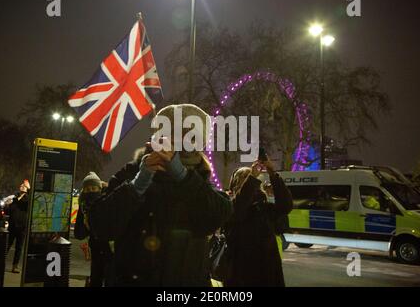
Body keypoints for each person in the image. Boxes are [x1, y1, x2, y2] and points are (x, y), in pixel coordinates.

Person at [89, 104, 233, 286]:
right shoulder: (134, 171)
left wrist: (183, 177)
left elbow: (219, 214)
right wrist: (138, 184)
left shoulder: (200, 179)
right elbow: (100, 226)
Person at [224, 157, 293, 287]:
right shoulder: (228, 206)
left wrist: (272, 173)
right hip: (241, 275)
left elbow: (285, 206)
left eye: (251, 179)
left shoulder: (263, 208)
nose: (251, 180)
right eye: (246, 179)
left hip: (268, 273)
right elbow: (238, 209)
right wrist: (252, 178)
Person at [74, 172, 113, 287]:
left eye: (93, 188)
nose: (91, 191)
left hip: (110, 248)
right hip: (96, 248)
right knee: (96, 278)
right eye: (87, 189)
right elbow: (79, 234)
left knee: (110, 279)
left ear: (99, 189)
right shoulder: (84, 207)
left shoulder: (108, 202)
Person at [6, 179, 30, 273]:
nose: (22, 186)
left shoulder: (27, 199)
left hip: (22, 227)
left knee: (18, 248)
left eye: (23, 185)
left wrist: (29, 188)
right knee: (7, 245)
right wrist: (7, 206)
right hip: (12, 226)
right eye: (21, 185)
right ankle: (0, 262)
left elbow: (32, 197)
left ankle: (15, 266)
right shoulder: (14, 200)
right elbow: (9, 212)